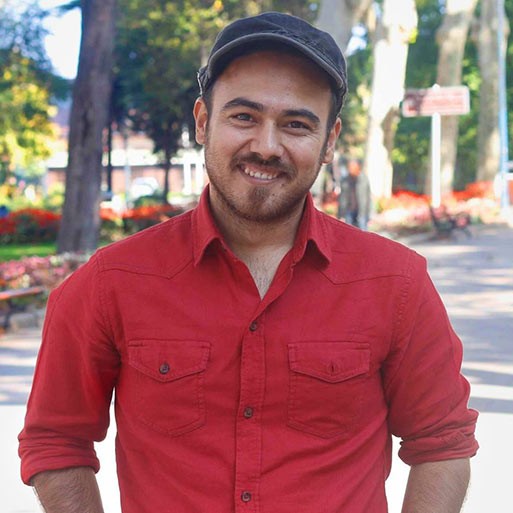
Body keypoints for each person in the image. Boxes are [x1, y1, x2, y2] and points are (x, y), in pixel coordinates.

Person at [19, 11, 478, 513]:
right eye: (244, 117)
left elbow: (442, 445)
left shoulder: (396, 283)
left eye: (296, 125)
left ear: (329, 141)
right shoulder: (111, 283)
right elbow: (56, 441)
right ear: (202, 121)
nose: (266, 146)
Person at [337, 157, 371, 230]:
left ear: (358, 168)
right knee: (348, 232)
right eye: (349, 167)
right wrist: (340, 215)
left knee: (362, 233)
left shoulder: (364, 179)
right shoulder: (345, 180)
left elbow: (368, 198)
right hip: (349, 210)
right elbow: (342, 198)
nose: (350, 169)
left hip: (361, 211)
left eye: (352, 167)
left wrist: (369, 215)